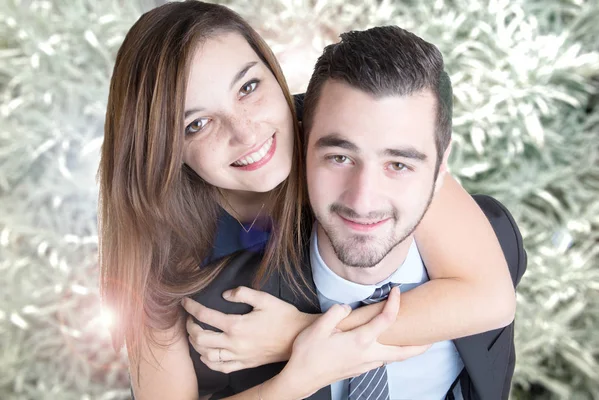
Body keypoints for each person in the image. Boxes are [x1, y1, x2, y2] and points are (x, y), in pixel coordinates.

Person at [96, 1, 519, 399]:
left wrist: (300, 334)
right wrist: (300, 375)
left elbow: (487, 297)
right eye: (198, 123)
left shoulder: (344, 136)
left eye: (248, 87)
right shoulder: (161, 246)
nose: (246, 133)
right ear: (160, 149)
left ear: (271, 69)